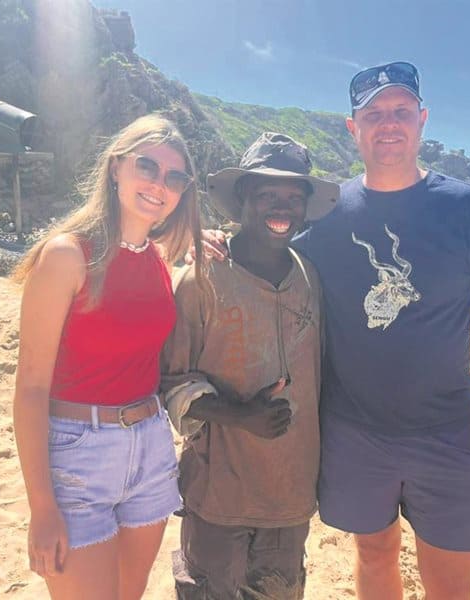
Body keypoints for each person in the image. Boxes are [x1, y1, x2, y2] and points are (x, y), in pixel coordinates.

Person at [198, 62, 470, 599]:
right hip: (353, 433)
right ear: (354, 129)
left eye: (401, 112)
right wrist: (213, 237)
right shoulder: (327, 215)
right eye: (374, 114)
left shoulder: (468, 208)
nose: (388, 124)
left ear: (422, 120)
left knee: (449, 577)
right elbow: (266, 247)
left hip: (447, 431)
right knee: (374, 554)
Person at [12, 114, 204, 600]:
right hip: (78, 455)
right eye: (147, 166)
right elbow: (31, 387)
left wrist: (217, 244)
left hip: (151, 449)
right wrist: (42, 508)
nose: (160, 185)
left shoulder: (160, 260)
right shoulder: (66, 256)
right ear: (116, 167)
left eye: (174, 178)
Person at [161, 132, 338, 599]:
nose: (281, 209)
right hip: (219, 492)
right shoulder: (201, 279)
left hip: (291, 493)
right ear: (242, 200)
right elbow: (169, 382)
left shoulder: (309, 277)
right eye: (266, 195)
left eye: (293, 197)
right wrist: (241, 416)